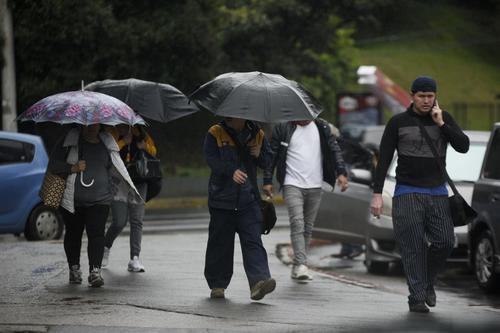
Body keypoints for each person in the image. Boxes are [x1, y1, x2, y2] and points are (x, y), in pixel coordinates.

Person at [370, 76, 469, 313]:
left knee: (445, 241)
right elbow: (383, 159)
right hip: (406, 192)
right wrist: (376, 193)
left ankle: (427, 283)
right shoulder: (398, 122)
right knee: (413, 246)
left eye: (430, 96)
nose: (426, 100)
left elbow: (463, 146)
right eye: (421, 96)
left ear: (435, 97)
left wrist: (442, 124)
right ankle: (416, 297)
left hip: (437, 193)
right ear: (412, 96)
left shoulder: (443, 119)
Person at [46, 124, 141, 287]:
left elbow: (116, 168)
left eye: (95, 122)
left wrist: (113, 190)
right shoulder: (70, 141)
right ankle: (74, 269)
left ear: (101, 124)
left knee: (97, 235)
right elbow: (53, 166)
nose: (91, 126)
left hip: (100, 200)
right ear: (81, 123)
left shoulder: (107, 142)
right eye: (88, 123)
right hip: (72, 200)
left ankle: (95, 271)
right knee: (73, 235)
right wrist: (72, 167)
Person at [264, 118, 349, 281]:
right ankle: (302, 264)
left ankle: (297, 265)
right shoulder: (283, 127)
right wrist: (268, 180)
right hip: (292, 183)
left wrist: (341, 172)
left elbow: (334, 150)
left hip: (315, 184)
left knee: (308, 227)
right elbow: (272, 154)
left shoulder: (322, 127)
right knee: (297, 222)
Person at [203, 117, 276, 300]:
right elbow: (211, 159)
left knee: (253, 240)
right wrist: (231, 171)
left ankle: (259, 282)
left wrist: (260, 154)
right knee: (220, 244)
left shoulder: (258, 134)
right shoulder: (215, 132)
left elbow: (268, 162)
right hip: (221, 200)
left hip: (248, 199)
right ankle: (217, 285)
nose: (232, 116)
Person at [103, 124, 157, 272]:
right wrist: (123, 143)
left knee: (137, 221)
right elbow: (106, 152)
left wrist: (145, 147)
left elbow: (154, 151)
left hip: (138, 181)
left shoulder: (140, 131)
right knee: (119, 221)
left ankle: (135, 258)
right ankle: (105, 247)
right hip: (118, 182)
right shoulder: (112, 131)